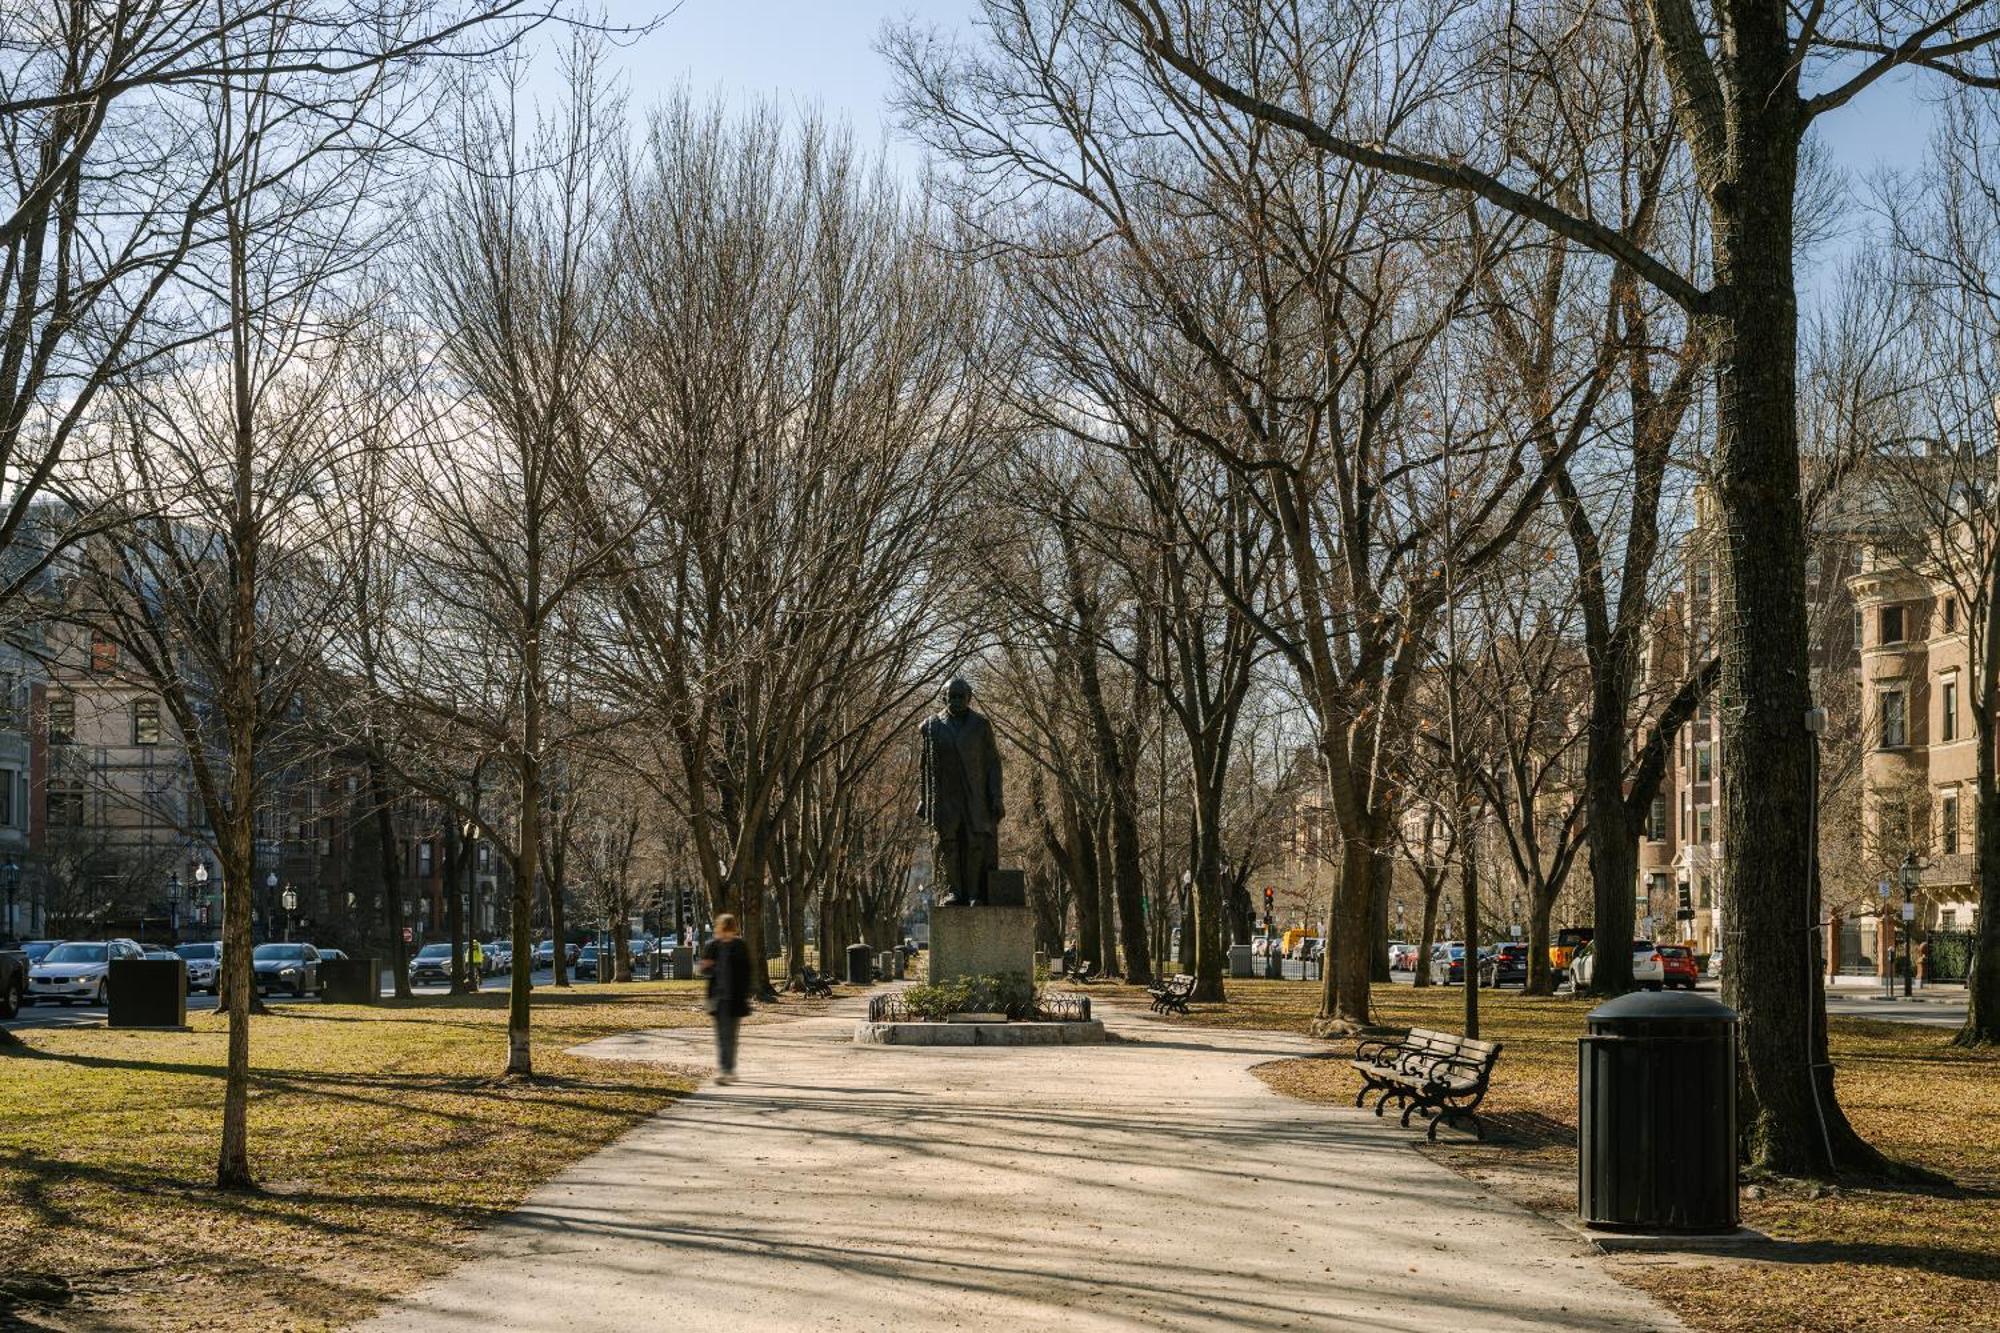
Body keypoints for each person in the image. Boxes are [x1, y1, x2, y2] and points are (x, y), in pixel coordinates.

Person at [697, 913, 752, 1084]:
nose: (727, 934)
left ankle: (729, 1068)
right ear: (720, 929)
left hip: (735, 998)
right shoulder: (712, 946)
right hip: (717, 997)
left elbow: (747, 972)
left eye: (729, 931)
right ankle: (725, 1069)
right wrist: (706, 967)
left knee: (731, 1036)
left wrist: (746, 993)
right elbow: (703, 970)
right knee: (722, 1036)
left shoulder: (740, 946)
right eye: (724, 930)